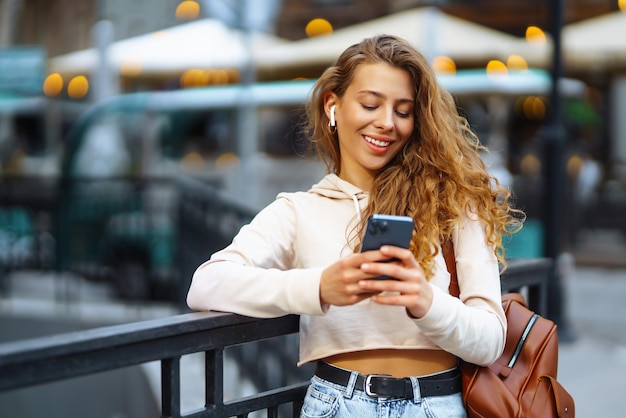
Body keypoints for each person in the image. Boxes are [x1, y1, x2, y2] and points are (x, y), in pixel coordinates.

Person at [187, 34, 524, 417]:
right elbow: (206, 284)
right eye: (370, 104)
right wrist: (319, 286)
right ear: (333, 105)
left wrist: (424, 300)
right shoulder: (299, 210)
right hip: (336, 404)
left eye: (403, 110)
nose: (386, 123)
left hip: (436, 404)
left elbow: (490, 341)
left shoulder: (454, 203)